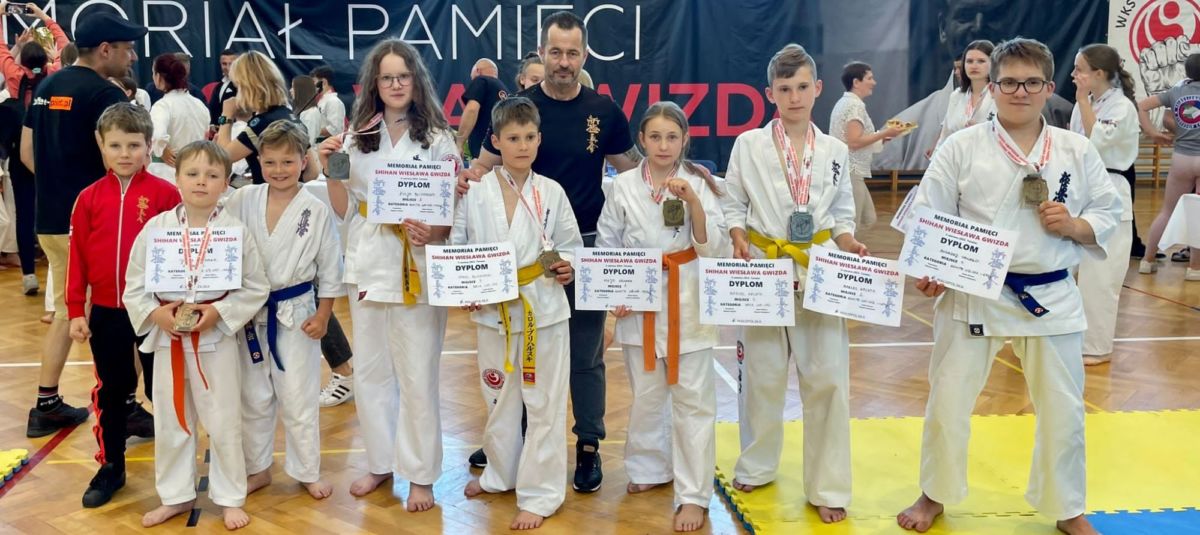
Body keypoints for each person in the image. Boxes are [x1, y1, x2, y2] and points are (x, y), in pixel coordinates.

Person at [895, 38, 1120, 535]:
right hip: (974, 290)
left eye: (1032, 82)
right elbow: (929, 214)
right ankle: (935, 492)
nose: (1021, 92)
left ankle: (1067, 506)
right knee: (948, 400)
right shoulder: (961, 146)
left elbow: (1109, 211)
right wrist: (928, 269)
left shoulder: (1076, 149)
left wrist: (1075, 225)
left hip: (1051, 291)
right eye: (1010, 83)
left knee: (1063, 410)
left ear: (1050, 88)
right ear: (992, 87)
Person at [457, 11, 642, 491]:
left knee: (585, 354)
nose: (563, 61)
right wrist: (459, 179)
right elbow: (484, 168)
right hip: (519, 253)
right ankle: (508, 441)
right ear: (542, 52)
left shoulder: (603, 111)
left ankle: (588, 445)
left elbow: (635, 171)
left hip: (583, 246)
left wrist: (680, 171)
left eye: (572, 53)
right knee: (515, 349)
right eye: (555, 52)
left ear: (585, 55)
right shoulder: (520, 109)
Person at [720, 43, 865, 525]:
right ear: (770, 94)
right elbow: (732, 202)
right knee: (761, 375)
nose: (795, 97)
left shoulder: (836, 150)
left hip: (820, 267)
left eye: (803, 87)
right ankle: (757, 464)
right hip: (763, 265)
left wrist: (849, 241)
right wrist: (738, 235)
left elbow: (842, 210)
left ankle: (828, 485)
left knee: (827, 379)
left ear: (818, 88)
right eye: (785, 89)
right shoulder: (749, 144)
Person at [317, 38, 460, 510]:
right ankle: (380, 462)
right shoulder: (357, 137)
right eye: (387, 78)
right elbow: (344, 210)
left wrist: (433, 232)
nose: (396, 84)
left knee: (417, 373)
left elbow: (450, 209)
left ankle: (420, 474)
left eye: (403, 76)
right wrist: (331, 170)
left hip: (418, 262)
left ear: (416, 80)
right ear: (374, 85)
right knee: (372, 373)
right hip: (370, 262)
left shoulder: (438, 138)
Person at [595, 101, 729, 532]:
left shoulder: (700, 182)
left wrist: (695, 204)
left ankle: (693, 495)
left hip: (687, 295)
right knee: (647, 393)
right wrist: (614, 292)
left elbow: (716, 247)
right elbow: (608, 243)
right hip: (641, 298)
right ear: (641, 140)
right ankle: (650, 467)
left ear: (685, 139)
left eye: (672, 137)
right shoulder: (622, 185)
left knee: (693, 401)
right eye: (655, 136)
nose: (664, 145)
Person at [124, 141, 268, 530]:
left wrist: (218, 312)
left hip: (215, 337)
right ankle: (175, 495)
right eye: (192, 173)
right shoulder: (157, 228)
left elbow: (256, 285)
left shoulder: (235, 231)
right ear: (177, 178)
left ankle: (230, 496)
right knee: (171, 419)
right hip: (168, 336)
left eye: (212, 175)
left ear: (226, 183)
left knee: (223, 418)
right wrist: (156, 313)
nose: (201, 181)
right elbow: (134, 284)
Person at [458, 96, 581, 531]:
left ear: (539, 139)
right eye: (513, 138)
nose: (523, 145)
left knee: (543, 402)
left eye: (529, 137)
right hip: (493, 309)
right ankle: (500, 474)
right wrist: (465, 287)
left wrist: (568, 267)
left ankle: (541, 494)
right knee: (497, 398)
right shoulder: (475, 191)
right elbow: (457, 247)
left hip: (542, 309)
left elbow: (571, 246)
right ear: (495, 141)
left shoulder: (552, 191)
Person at [19, 10, 145, 438]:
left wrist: (60, 188)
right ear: (105, 49)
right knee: (117, 311)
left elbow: (27, 153)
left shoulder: (47, 87)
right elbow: (123, 162)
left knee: (65, 308)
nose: (132, 57)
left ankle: (47, 403)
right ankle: (123, 404)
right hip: (94, 224)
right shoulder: (105, 95)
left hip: (51, 218)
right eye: (127, 49)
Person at [67, 103, 180, 507]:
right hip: (107, 312)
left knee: (163, 390)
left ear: (149, 145)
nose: (125, 154)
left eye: (134, 145)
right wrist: (75, 310)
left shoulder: (167, 195)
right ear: (100, 144)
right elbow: (77, 258)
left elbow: (180, 254)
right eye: (115, 145)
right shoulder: (88, 199)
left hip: (155, 312)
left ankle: (176, 470)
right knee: (112, 392)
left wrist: (176, 304)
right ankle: (111, 464)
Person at [224, 121, 343, 501]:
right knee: (253, 397)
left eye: (288, 162)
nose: (279, 170)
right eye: (270, 162)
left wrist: (323, 315)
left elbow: (331, 267)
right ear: (258, 161)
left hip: (297, 312)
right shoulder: (243, 199)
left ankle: (307, 470)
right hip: (248, 312)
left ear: (303, 161)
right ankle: (258, 468)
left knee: (298, 396)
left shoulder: (315, 208)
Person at [1070, 44, 1140, 365]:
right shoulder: (1085, 103)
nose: (1074, 75)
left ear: (1098, 74)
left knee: (1100, 277)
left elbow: (1097, 142)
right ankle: (1064, 335)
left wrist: (1083, 101)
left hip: (1110, 189)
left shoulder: (1121, 106)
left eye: (1079, 69)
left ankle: (1096, 346)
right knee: (1067, 270)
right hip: (1079, 190)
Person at [1136, 53, 1200, 281]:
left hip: (1181, 157)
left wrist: (1152, 133)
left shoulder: (1176, 91)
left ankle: (1148, 260)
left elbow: (1142, 106)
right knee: (1198, 213)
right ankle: (1195, 268)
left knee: (1167, 211)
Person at [828, 62, 903, 230]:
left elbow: (853, 139)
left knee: (867, 218)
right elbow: (854, 142)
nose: (874, 82)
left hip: (848, 169)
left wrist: (882, 138)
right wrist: (885, 133)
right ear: (856, 82)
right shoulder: (854, 106)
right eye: (869, 78)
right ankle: (844, 246)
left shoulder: (846, 102)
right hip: (850, 171)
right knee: (851, 223)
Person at [216, 51, 307, 185]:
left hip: (270, 192)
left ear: (249, 87)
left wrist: (226, 116)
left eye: (239, 87)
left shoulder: (262, 123)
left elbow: (221, 159)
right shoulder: (289, 115)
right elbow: (312, 171)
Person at [148, 53, 209, 181]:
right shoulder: (199, 104)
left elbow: (157, 136)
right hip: (195, 172)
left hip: (167, 173)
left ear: (158, 77)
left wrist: (161, 150)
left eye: (153, 73)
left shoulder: (163, 105)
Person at [931, 40, 996, 153]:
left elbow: (1011, 134)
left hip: (989, 158)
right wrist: (935, 160)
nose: (974, 66)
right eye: (969, 61)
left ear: (993, 64)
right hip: (955, 159)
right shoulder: (956, 96)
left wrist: (983, 130)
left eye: (981, 61)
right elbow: (945, 136)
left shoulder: (1001, 95)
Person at [0, 2, 68, 97]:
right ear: (45, 58)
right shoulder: (55, 71)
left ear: (22, 60)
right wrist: (44, 16)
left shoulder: (14, 74)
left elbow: (2, 49)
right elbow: (65, 45)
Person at [456, 58, 509, 158]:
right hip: (502, 150)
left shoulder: (481, 80)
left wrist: (459, 143)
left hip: (484, 151)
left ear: (477, 71)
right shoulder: (504, 90)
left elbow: (471, 110)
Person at [309, 65, 346, 142]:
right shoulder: (321, 101)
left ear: (324, 82)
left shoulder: (334, 102)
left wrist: (313, 130)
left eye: (314, 82)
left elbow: (336, 129)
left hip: (328, 144)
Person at [207, 49, 239, 130]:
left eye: (231, 64)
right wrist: (213, 124)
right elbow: (215, 109)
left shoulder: (241, 85)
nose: (228, 67)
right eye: (224, 64)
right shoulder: (220, 86)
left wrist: (220, 123)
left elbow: (235, 114)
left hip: (235, 131)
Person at [293, 75, 322, 145]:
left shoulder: (311, 113)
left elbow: (310, 140)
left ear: (301, 90)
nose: (291, 90)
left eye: (293, 87)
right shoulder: (300, 110)